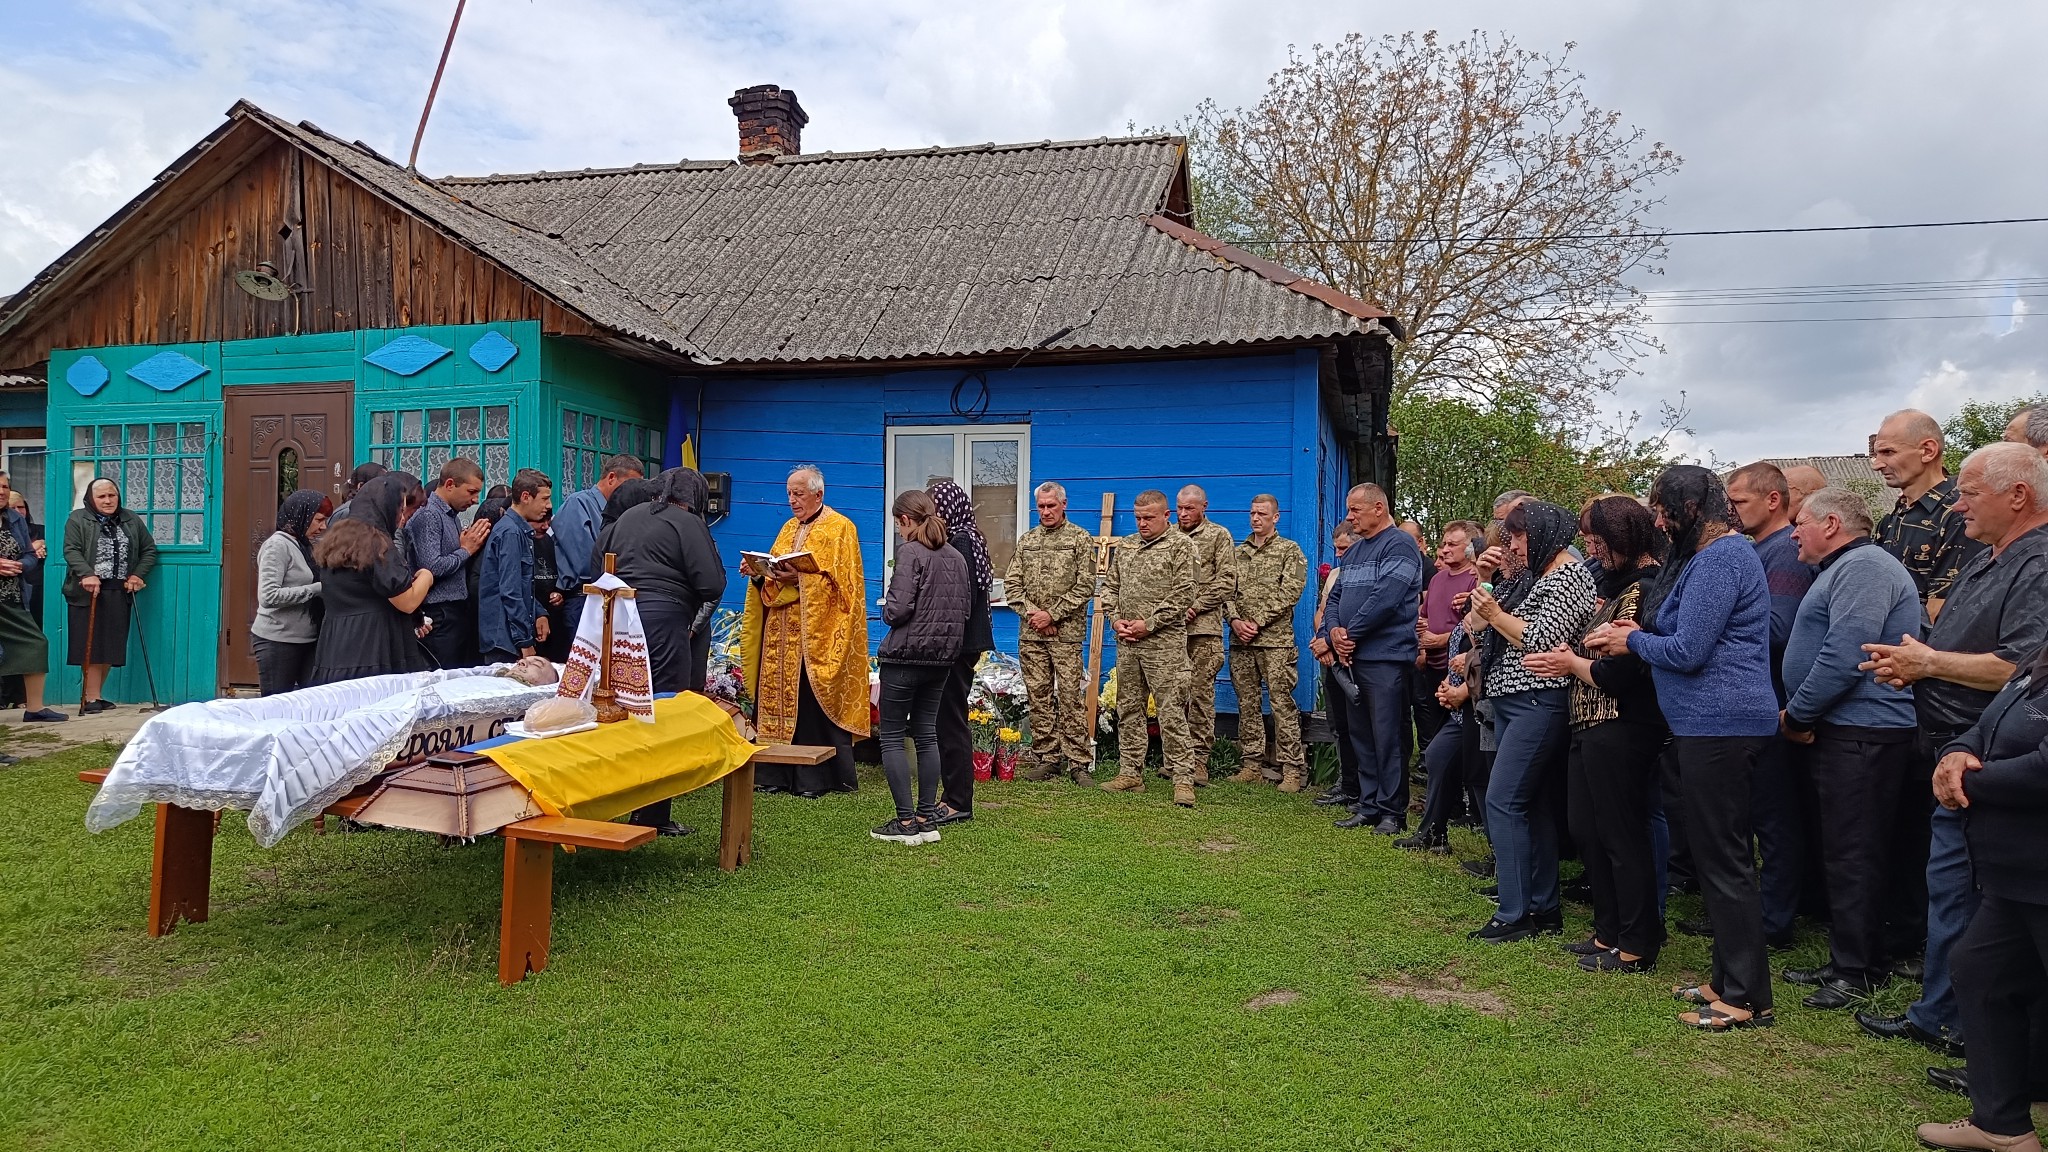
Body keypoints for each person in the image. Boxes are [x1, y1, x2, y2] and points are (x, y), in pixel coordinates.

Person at [1857, 442, 2048, 1066]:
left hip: (1990, 768)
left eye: (1968, 492)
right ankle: (1942, 1013)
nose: (1957, 505)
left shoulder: (2039, 563)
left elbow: (2023, 669)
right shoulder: (1991, 557)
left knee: (1974, 901)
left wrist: (1930, 664)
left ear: (2017, 495)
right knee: (1952, 892)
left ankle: (1967, 1027)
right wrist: (1914, 667)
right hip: (1953, 750)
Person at [1587, 465, 1779, 1031]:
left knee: (1725, 861)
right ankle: (1726, 979)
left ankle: (1746, 998)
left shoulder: (1723, 558)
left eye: (1663, 509)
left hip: (1723, 723)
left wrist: (1631, 640)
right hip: (1704, 725)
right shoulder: (1703, 557)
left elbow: (1689, 650)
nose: (1659, 521)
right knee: (1716, 855)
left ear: (1691, 507)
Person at [1774, 487, 1920, 1009]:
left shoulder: (1865, 567)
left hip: (1864, 730)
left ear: (1832, 524)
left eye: (1801, 522)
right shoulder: (1843, 568)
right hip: (1846, 728)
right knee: (1843, 849)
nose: (1793, 533)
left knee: (1855, 852)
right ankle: (1849, 957)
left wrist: (1799, 714)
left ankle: (1858, 970)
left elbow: (1845, 654)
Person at [1519, 496, 1666, 970]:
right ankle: (1608, 933)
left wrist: (1569, 663)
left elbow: (1622, 673)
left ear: (1624, 537)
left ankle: (1637, 943)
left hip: (1622, 723)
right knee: (1588, 830)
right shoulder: (1614, 587)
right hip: (1589, 722)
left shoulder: (1645, 588)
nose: (1592, 549)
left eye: (1598, 539)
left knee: (1621, 834)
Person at [1914, 638, 2048, 1152]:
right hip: (2019, 876)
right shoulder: (2040, 655)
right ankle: (2002, 1127)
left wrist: (1969, 783)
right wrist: (1955, 754)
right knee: (1980, 970)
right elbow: (1984, 724)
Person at [1462, 500, 1596, 943]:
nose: (1513, 546)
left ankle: (1514, 913)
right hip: (1514, 700)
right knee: (1531, 804)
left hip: (1538, 700)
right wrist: (1486, 589)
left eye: (1518, 537)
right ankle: (1543, 906)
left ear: (1542, 535)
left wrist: (1495, 615)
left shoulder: (1570, 576)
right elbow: (1476, 626)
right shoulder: (1532, 576)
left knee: (1502, 801)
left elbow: (1539, 639)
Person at [598, 466, 728, 837]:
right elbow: (712, 583)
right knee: (661, 713)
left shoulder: (628, 517)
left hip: (616, 624)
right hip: (663, 625)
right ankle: (653, 813)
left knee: (620, 710)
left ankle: (608, 797)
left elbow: (599, 565)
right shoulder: (687, 523)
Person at [1727, 461, 1816, 951]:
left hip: (1774, 699)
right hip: (1752, 698)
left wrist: (1714, 627)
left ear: (1774, 499)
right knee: (1751, 814)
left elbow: (1779, 629)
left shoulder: (1784, 551)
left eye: (1739, 502)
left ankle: (1775, 919)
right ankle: (1752, 910)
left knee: (1774, 818)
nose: (1732, 511)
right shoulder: (1753, 549)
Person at [742, 465, 869, 797]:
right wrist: (759, 573)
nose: (792, 500)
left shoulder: (841, 528)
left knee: (810, 704)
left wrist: (799, 579)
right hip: (780, 632)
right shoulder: (787, 528)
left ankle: (816, 779)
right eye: (789, 494)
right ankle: (774, 774)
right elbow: (773, 573)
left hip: (817, 635)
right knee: (775, 699)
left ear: (818, 494)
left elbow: (845, 588)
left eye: (798, 494)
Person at [1321, 483, 1424, 833]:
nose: (1349, 517)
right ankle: (1368, 806)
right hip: (1354, 659)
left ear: (1378, 508)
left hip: (1386, 659)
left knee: (1388, 736)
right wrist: (1334, 632)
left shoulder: (1400, 545)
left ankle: (1392, 812)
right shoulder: (1353, 553)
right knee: (1361, 734)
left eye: (1355, 510)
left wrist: (1349, 635)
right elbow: (1335, 598)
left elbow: (1387, 598)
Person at [870, 490, 970, 845]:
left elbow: (897, 610)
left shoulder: (910, 552)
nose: (899, 531)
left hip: (905, 656)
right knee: (927, 734)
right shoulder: (956, 556)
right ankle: (927, 819)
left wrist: (885, 610)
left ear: (906, 520)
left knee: (892, 736)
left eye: (899, 524)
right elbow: (965, 609)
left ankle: (905, 822)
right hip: (942, 658)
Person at [1099, 490, 1197, 804]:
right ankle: (1130, 772)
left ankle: (1183, 779)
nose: (1142, 523)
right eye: (1138, 518)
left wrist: (1150, 624)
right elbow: (1110, 587)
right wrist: (1115, 619)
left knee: (1171, 711)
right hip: (1128, 643)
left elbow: (1184, 593)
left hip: (1164, 646)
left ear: (1166, 516)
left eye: (1149, 518)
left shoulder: (1181, 545)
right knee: (1128, 708)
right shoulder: (1127, 546)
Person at [1007, 481, 1098, 786]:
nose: (1046, 511)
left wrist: (1053, 614)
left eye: (1051, 505)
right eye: (1041, 506)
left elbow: (1086, 585)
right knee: (1038, 697)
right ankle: (1047, 758)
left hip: (1066, 635)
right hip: (1032, 634)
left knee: (1071, 697)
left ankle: (1079, 762)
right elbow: (1012, 586)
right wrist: (1037, 616)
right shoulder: (1027, 540)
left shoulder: (1080, 539)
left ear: (1063, 505)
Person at [309, 473, 434, 684]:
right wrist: (426, 576)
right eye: (400, 509)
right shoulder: (376, 542)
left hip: (336, 641)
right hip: (373, 644)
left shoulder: (338, 537)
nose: (402, 518)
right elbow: (407, 601)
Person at [1225, 495, 1309, 789]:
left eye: (1262, 513)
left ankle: (1291, 769)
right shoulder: (1237, 554)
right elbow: (1225, 591)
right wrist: (1235, 620)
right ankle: (1251, 764)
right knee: (1247, 703)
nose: (1255, 518)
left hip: (1275, 643)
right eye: (1252, 513)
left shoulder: (1290, 551)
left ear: (1276, 517)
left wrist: (1257, 621)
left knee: (1281, 703)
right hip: (1241, 642)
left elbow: (1291, 592)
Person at [1872, 408, 1981, 620]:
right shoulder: (1895, 515)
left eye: (1888, 452)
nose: (1877, 464)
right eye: (1876, 454)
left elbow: (1943, 613)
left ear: (1928, 451)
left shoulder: (1958, 513)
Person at [62, 478, 158, 715]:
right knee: (92, 644)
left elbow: (149, 549)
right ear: (91, 499)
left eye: (111, 495)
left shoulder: (130, 518)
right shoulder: (78, 519)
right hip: (88, 590)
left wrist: (137, 574)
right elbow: (71, 550)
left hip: (118, 589)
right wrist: (87, 574)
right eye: (101, 496)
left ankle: (95, 695)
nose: (107, 500)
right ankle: (90, 697)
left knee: (111, 645)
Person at [926, 479, 993, 824]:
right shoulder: (965, 536)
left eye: (935, 510)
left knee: (950, 720)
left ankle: (957, 801)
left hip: (958, 643)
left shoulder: (962, 541)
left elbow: (960, 597)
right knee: (947, 718)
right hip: (963, 642)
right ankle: (953, 796)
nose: (931, 517)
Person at [404, 458, 493, 670]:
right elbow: (431, 567)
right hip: (438, 613)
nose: (475, 500)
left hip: (453, 611)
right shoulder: (429, 515)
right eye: (471, 492)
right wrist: (466, 551)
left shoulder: (451, 515)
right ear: (450, 484)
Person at [1174, 484, 1237, 784]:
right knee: (1173, 695)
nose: (1183, 514)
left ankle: (1199, 760)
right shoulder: (1169, 537)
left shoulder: (1218, 536)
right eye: (1179, 508)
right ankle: (1176, 759)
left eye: (1189, 508)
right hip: (1171, 631)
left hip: (1203, 631)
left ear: (1204, 507)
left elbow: (1227, 581)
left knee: (1200, 695)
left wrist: (1195, 606)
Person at [251, 490, 331, 695]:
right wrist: (316, 589)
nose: (323, 527)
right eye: (319, 520)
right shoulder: (277, 546)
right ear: (301, 515)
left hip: (308, 640)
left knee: (312, 702)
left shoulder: (303, 545)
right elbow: (268, 596)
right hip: (277, 641)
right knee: (277, 706)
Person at [554, 453, 646, 631]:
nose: (632, 491)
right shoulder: (578, 504)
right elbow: (586, 562)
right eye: (628, 484)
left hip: (615, 597)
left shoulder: (626, 511)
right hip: (585, 598)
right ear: (611, 478)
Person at [1415, 520, 1482, 763]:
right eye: (1444, 544)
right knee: (1434, 732)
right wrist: (1423, 649)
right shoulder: (1437, 579)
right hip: (1433, 668)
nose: (1444, 550)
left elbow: (1476, 627)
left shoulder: (1475, 579)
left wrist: (1441, 640)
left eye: (1452, 545)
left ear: (1470, 546)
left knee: (1460, 740)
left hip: (1462, 668)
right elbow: (1425, 617)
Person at [477, 469, 552, 664]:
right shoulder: (510, 532)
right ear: (526, 497)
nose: (549, 505)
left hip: (508, 636)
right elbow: (510, 591)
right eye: (544, 499)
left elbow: (522, 586)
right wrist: (524, 641)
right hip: (504, 639)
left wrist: (539, 612)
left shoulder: (517, 530)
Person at [1309, 526, 1361, 808]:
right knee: (1338, 723)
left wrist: (1333, 644)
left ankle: (1365, 787)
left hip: (1353, 658)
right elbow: (1323, 611)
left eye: (1344, 548)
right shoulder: (1335, 575)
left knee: (1359, 725)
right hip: (1331, 657)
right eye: (1336, 548)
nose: (1338, 554)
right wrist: (1323, 642)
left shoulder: (1367, 575)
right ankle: (1346, 782)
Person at [0, 471, 56, 723]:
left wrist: (21, 564)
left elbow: (30, 554)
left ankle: (34, 708)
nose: (2, 491)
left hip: (12, 597)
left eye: (5, 486)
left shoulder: (14, 519)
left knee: (35, 644)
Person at [529, 514, 571, 663]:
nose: (545, 526)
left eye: (548, 520)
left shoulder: (551, 541)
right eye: (539, 521)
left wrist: (559, 593)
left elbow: (562, 574)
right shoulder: (519, 541)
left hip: (554, 621)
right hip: (529, 621)